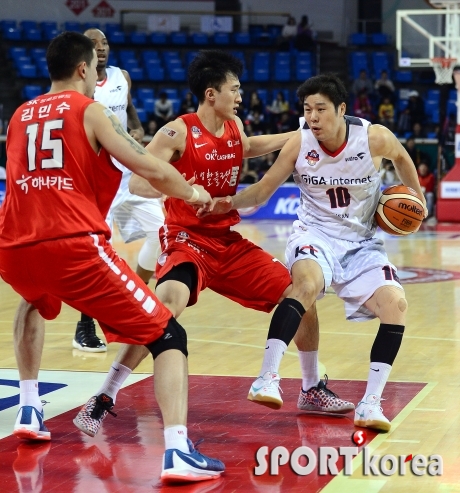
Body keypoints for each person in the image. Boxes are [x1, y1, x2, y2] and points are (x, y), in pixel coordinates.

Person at [73, 50, 353, 444]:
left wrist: (299, 135)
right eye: (234, 89)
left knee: (300, 293)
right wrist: (185, 192)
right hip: (187, 239)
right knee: (163, 308)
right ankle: (103, 397)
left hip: (227, 242)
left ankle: (311, 388)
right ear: (211, 94)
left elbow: (248, 146)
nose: (240, 96)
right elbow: (137, 183)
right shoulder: (177, 132)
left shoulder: (234, 126)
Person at [0, 32, 224, 484]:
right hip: (72, 243)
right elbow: (150, 166)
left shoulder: (21, 114)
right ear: (84, 69)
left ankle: (29, 406)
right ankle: (177, 450)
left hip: (14, 244)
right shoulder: (90, 109)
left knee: (33, 301)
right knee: (166, 332)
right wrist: (192, 190)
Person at [202, 73, 428, 432]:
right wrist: (226, 202)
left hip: (362, 242)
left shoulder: (373, 137)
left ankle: (370, 404)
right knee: (305, 286)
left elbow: (401, 157)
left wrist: (417, 199)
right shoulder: (299, 142)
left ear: (341, 109)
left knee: (396, 306)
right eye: (307, 110)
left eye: (321, 109)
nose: (313, 117)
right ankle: (268, 375)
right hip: (315, 234)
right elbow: (262, 192)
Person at [73, 28, 165, 353]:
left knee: (160, 233)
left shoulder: (121, 76)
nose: (101, 49)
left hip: (127, 175)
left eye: (105, 43)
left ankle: (131, 306)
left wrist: (137, 127)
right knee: (96, 250)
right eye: (94, 45)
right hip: (97, 177)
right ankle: (84, 325)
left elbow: (129, 112)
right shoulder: (77, 85)